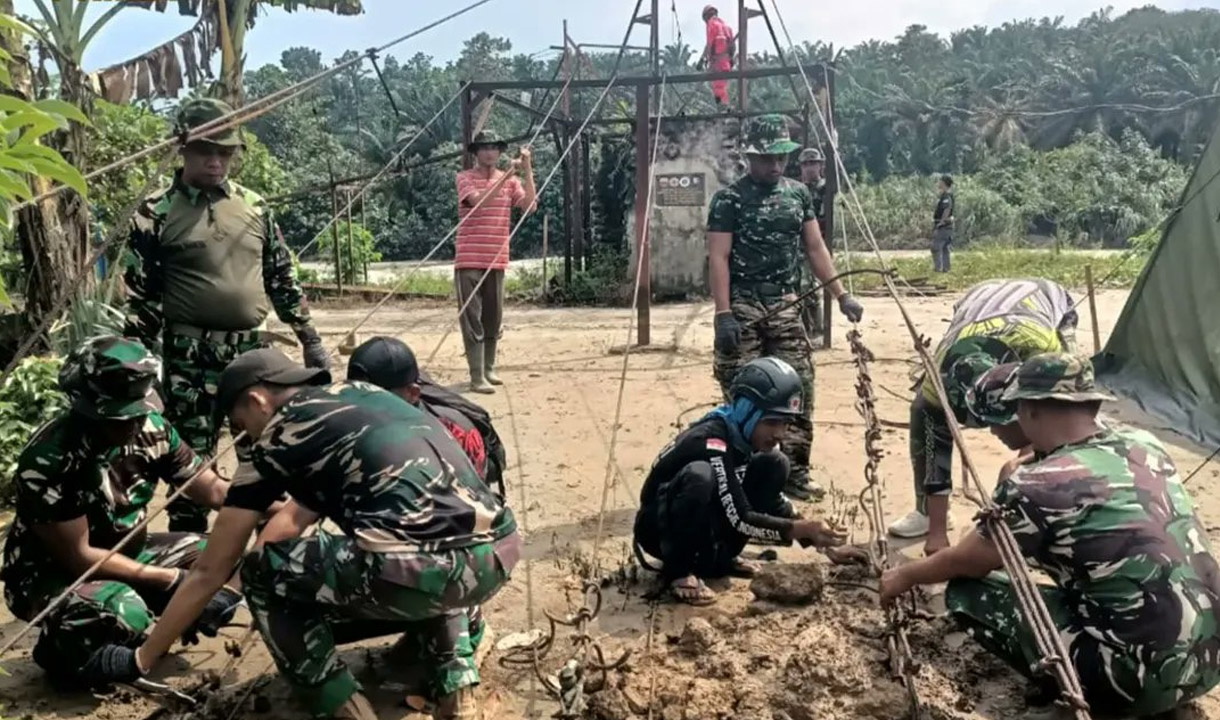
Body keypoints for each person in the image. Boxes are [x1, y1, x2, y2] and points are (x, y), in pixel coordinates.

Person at [80, 348, 520, 720]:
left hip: (419, 572)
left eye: (239, 423)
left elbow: (210, 568)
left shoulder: (279, 437)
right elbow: (293, 518)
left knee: (263, 570)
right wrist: (229, 594)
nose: (243, 437)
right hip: (496, 555)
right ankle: (457, 687)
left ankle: (345, 708)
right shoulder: (363, 395)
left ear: (258, 400)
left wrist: (141, 657)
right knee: (426, 546)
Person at [880, 353, 1220, 717]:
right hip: (1210, 661)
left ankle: (1084, 696)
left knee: (967, 591)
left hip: (1131, 682)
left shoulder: (1037, 484)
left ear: (1030, 409)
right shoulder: (1145, 444)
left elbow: (967, 561)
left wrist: (904, 575)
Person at [124, 97, 327, 534]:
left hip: (252, 357)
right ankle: (189, 557)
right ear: (183, 149)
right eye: (206, 151)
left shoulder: (254, 205)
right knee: (190, 471)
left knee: (266, 460)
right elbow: (140, 299)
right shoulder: (155, 213)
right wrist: (143, 376)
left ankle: (265, 557)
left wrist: (309, 337)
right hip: (189, 358)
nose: (216, 161)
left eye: (225, 152)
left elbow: (280, 275)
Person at [0, 336, 237, 689]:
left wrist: (276, 503)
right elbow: (80, 557)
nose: (134, 425)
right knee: (125, 610)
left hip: (129, 551)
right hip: (54, 574)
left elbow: (213, 489)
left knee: (220, 555)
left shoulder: (151, 429)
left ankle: (141, 625)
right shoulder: (51, 459)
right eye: (120, 418)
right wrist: (172, 580)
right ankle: (64, 655)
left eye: (139, 412)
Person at [708, 114, 864, 502]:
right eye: (767, 158)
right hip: (743, 307)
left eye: (781, 157)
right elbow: (719, 257)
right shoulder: (728, 200)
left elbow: (815, 248)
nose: (776, 165)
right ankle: (743, 473)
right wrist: (723, 314)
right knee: (743, 391)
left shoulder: (798, 195)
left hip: (785, 305)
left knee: (799, 386)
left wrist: (841, 295)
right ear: (750, 157)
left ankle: (794, 473)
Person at [634, 357, 847, 605]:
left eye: (786, 423)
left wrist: (824, 543)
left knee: (774, 463)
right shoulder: (712, 441)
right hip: (660, 532)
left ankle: (722, 559)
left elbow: (773, 503)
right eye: (771, 422)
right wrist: (804, 528)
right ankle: (679, 572)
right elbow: (740, 517)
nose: (779, 433)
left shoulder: (742, 438)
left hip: (706, 530)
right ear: (747, 411)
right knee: (700, 476)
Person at [888, 278, 1077, 555]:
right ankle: (929, 515)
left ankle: (1039, 513)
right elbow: (932, 443)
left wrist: (1020, 466)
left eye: (996, 422)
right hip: (978, 302)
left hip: (1045, 302)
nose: (991, 431)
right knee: (924, 414)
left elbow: (1052, 414)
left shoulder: (1042, 353)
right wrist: (938, 536)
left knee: (1061, 409)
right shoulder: (940, 377)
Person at [347, 335, 507, 497]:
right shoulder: (350, 424)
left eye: (376, 399)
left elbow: (470, 501)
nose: (365, 408)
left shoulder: (453, 433)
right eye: (355, 396)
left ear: (413, 393)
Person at [455, 130, 537, 395]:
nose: (489, 152)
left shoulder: (510, 181)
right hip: (469, 258)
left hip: (497, 257)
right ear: (476, 152)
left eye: (494, 148)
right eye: (484, 148)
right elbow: (479, 203)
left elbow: (530, 206)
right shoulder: (465, 178)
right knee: (472, 319)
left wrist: (527, 169)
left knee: (493, 316)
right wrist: (508, 175)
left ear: (500, 152)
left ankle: (489, 368)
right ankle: (476, 375)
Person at [798, 147, 829, 335]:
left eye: (813, 163)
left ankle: (817, 330)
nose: (809, 168)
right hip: (799, 245)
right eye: (806, 164)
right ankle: (807, 329)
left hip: (817, 243)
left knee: (811, 287)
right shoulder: (797, 190)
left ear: (820, 166)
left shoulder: (825, 188)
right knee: (801, 288)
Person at [698, 5, 736, 107]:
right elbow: (733, 46)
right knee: (723, 87)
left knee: (718, 89)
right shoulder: (726, 27)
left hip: (717, 64)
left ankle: (723, 108)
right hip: (726, 63)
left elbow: (709, 44)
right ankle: (725, 107)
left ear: (706, 17)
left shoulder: (711, 25)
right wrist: (730, 59)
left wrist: (703, 60)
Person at [931, 174, 955, 273]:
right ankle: (946, 268)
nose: (938, 183)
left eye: (940, 181)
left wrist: (941, 222)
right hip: (948, 225)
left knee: (935, 247)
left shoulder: (946, 196)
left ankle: (938, 268)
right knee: (945, 248)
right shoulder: (946, 195)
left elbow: (947, 209)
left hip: (944, 226)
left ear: (944, 183)